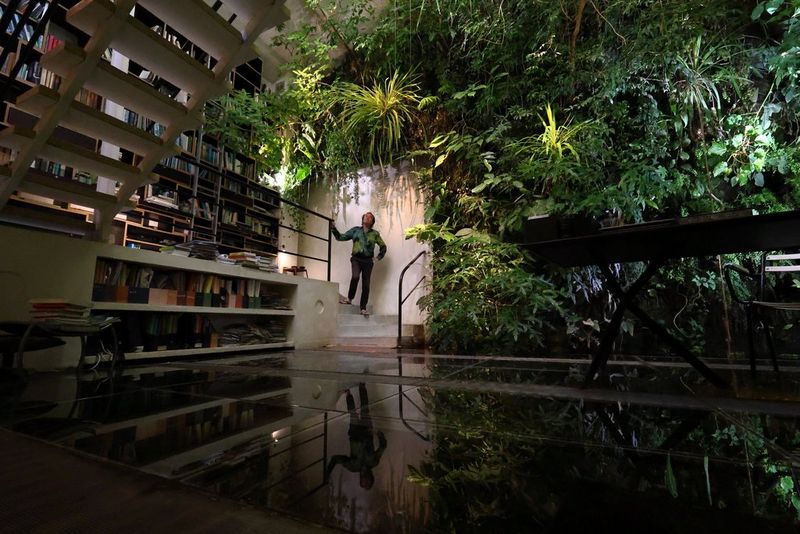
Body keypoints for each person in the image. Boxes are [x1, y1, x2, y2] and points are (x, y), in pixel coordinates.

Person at [325, 383, 387, 490]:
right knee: (365, 410)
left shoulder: (353, 467)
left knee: (353, 413)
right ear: (371, 478)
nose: (364, 480)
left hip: (355, 434)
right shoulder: (373, 462)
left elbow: (336, 459)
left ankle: (348, 393)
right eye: (366, 482)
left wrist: (327, 473)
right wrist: (378, 432)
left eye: (363, 483)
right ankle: (361, 386)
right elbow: (383, 446)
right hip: (367, 432)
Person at [331, 212, 387, 316]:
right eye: (365, 216)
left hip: (368, 262)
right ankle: (349, 298)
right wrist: (333, 228)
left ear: (372, 222)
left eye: (370, 217)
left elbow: (383, 247)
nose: (367, 217)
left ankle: (363, 308)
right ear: (362, 219)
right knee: (355, 277)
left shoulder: (375, 234)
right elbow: (340, 237)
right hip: (356, 259)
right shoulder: (355, 230)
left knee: (366, 285)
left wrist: (378, 258)